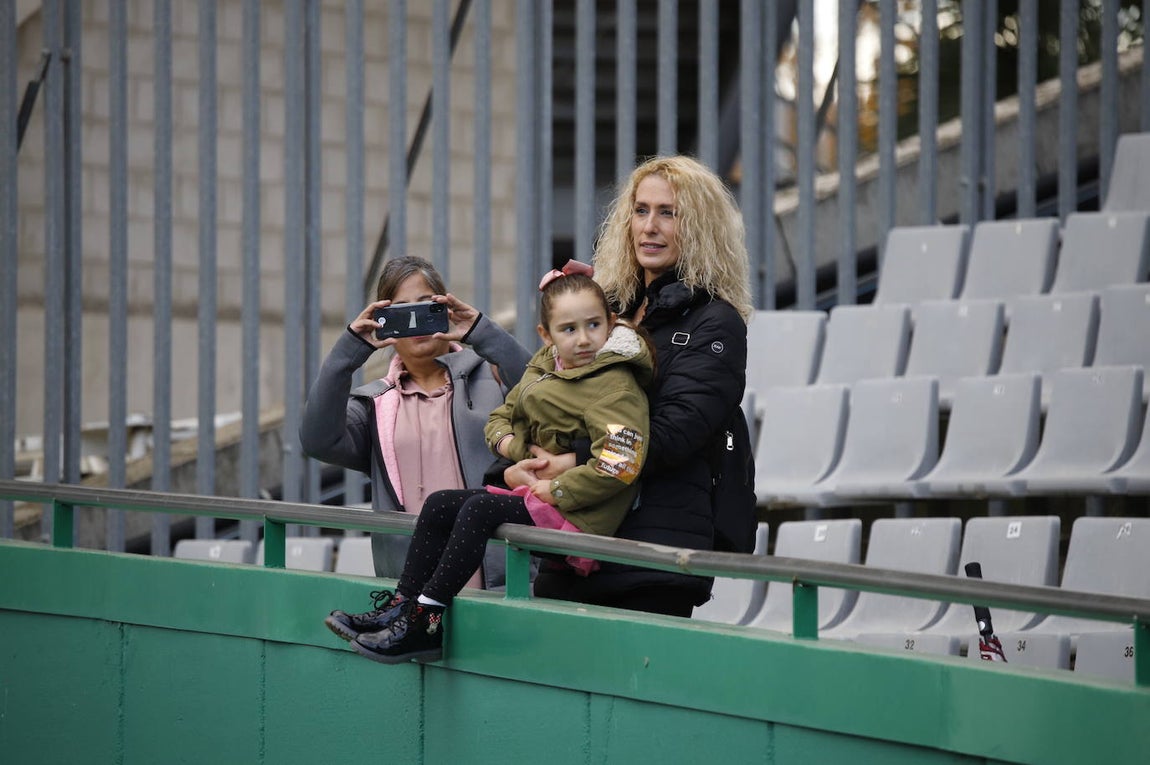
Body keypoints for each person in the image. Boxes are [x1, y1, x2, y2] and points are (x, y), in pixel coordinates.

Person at [340, 263, 654, 664]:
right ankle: (403, 606)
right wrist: (514, 449)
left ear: (612, 324)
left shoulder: (615, 381)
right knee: (440, 504)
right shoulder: (547, 370)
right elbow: (503, 417)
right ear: (548, 335)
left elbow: (622, 463)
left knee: (480, 507)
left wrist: (556, 487)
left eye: (593, 325)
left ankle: (426, 618)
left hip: (581, 511)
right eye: (569, 329)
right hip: (543, 495)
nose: (584, 340)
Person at [531, 155, 753, 618]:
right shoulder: (605, 309)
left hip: (652, 552)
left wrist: (570, 457)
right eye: (641, 210)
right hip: (576, 543)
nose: (650, 227)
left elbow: (673, 434)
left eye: (668, 213)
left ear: (700, 228)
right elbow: (551, 397)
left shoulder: (716, 321)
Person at [299, 255, 532, 640]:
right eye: (400, 312)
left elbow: (543, 393)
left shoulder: (491, 376)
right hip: (410, 609)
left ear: (444, 306)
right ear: (384, 322)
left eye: (426, 306)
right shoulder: (374, 405)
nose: (414, 321)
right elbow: (318, 439)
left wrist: (480, 331)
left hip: (497, 591)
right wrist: (351, 350)